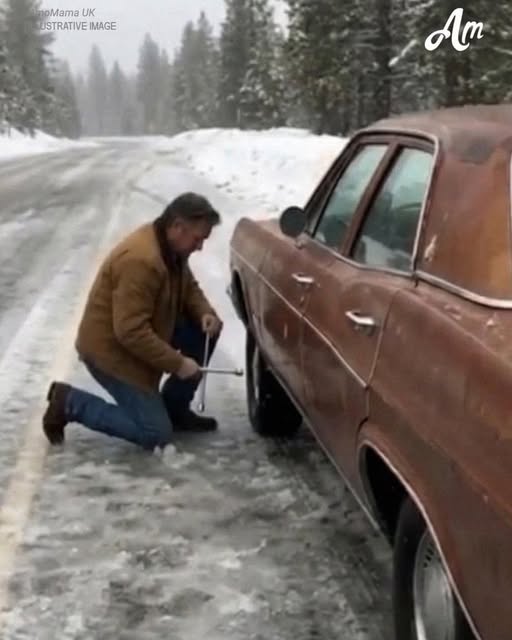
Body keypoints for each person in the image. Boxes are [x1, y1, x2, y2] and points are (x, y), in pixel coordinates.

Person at [42, 192, 223, 451]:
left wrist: (205, 313)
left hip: (145, 332)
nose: (200, 247)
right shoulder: (141, 260)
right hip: (113, 352)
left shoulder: (171, 248)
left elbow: (188, 286)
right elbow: (130, 332)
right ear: (177, 226)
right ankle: (69, 402)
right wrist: (178, 363)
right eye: (198, 239)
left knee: (204, 332)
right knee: (155, 433)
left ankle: (174, 410)